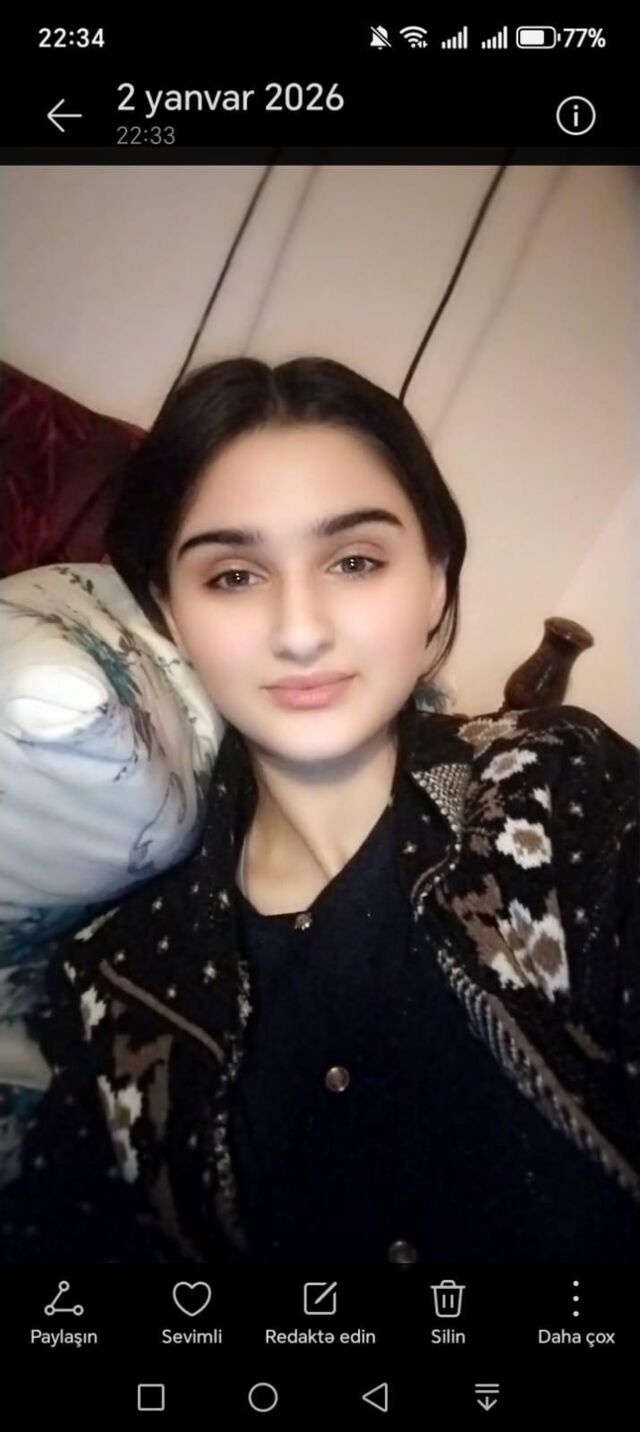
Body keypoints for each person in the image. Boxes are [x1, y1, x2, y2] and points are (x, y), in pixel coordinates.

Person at [1, 355, 639, 1267]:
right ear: (171, 616)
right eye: (233, 576)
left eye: (355, 561)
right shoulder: (121, 980)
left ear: (435, 583)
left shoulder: (560, 787)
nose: (300, 630)